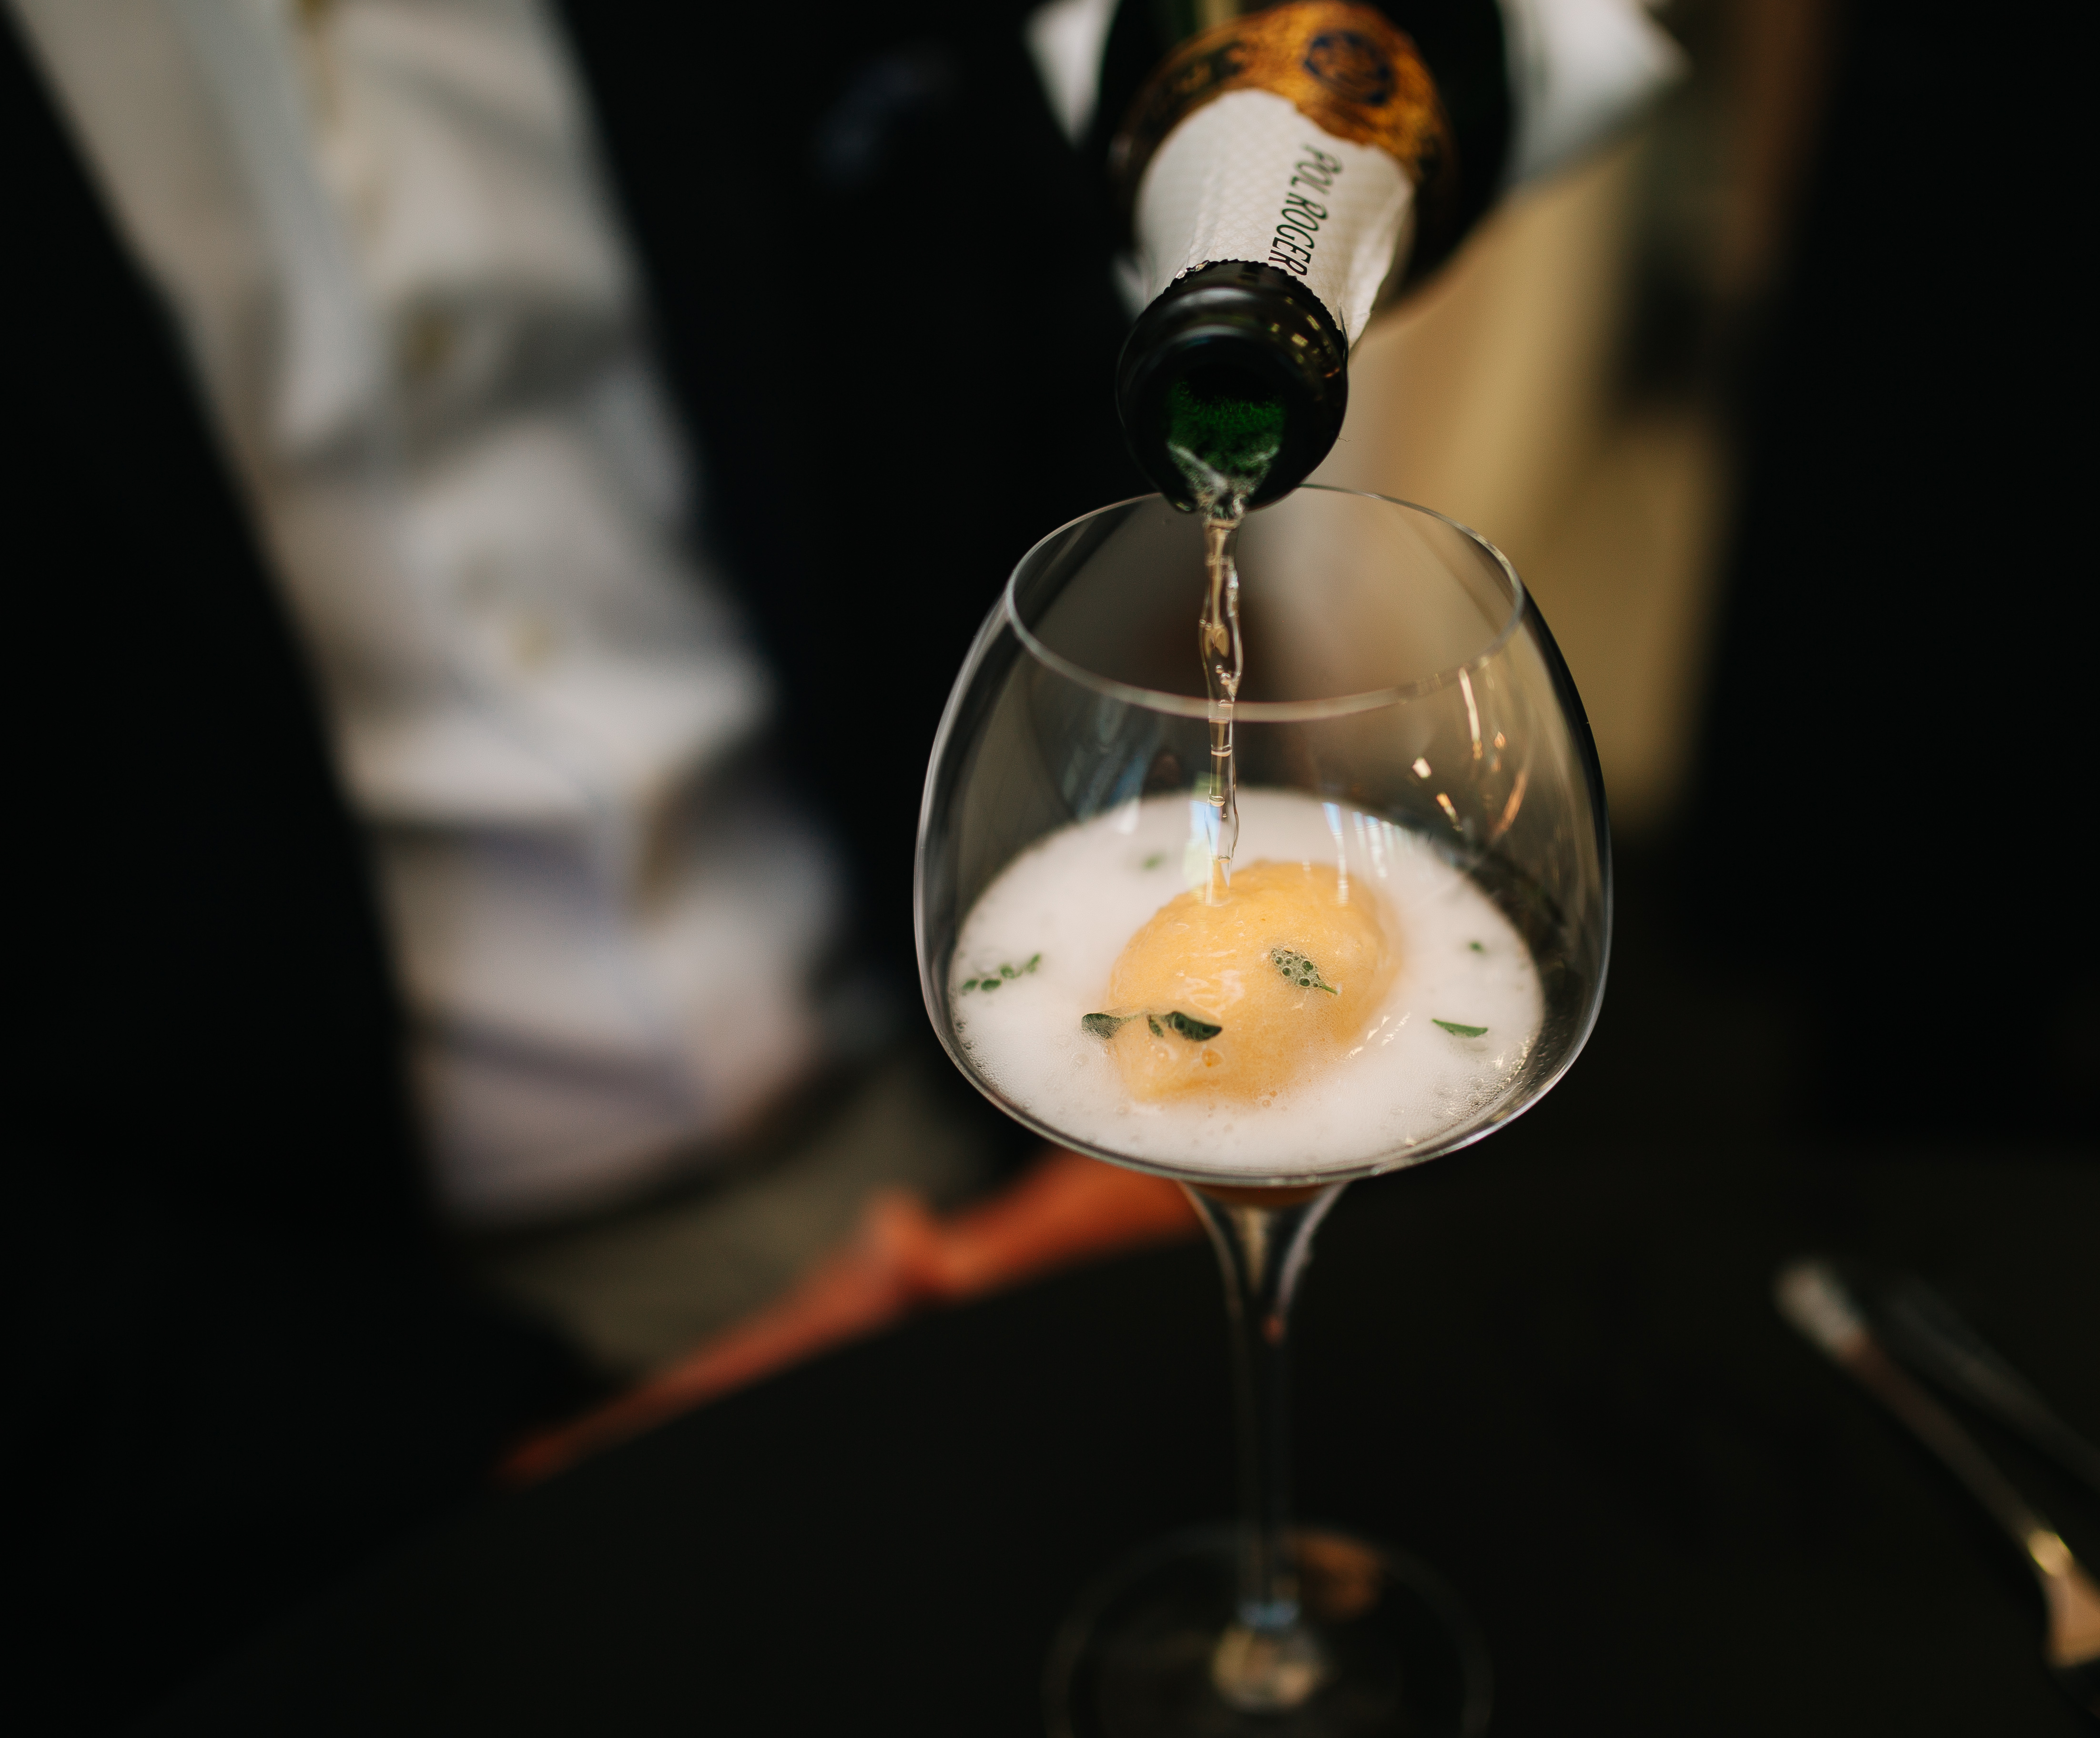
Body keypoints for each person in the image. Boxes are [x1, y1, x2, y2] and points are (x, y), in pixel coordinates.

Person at [1, 1, 1675, 1726]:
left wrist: (1124, 1135)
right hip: (330, 1343)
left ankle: (1267, 1625)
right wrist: (461, 1464)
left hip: (961, 1125)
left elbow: (1038, 392)